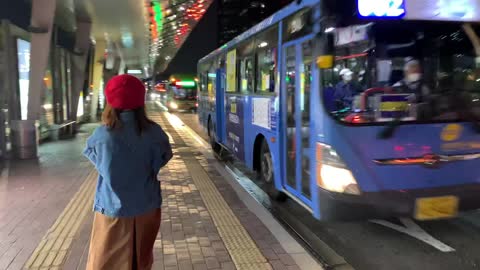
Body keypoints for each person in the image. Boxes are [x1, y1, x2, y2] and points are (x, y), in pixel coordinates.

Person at [84, 74, 173, 270]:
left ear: (110, 102)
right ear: (141, 101)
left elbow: (94, 157)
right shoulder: (154, 132)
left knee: (105, 263)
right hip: (147, 207)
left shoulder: (102, 135)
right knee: (141, 262)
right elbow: (164, 157)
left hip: (112, 208)